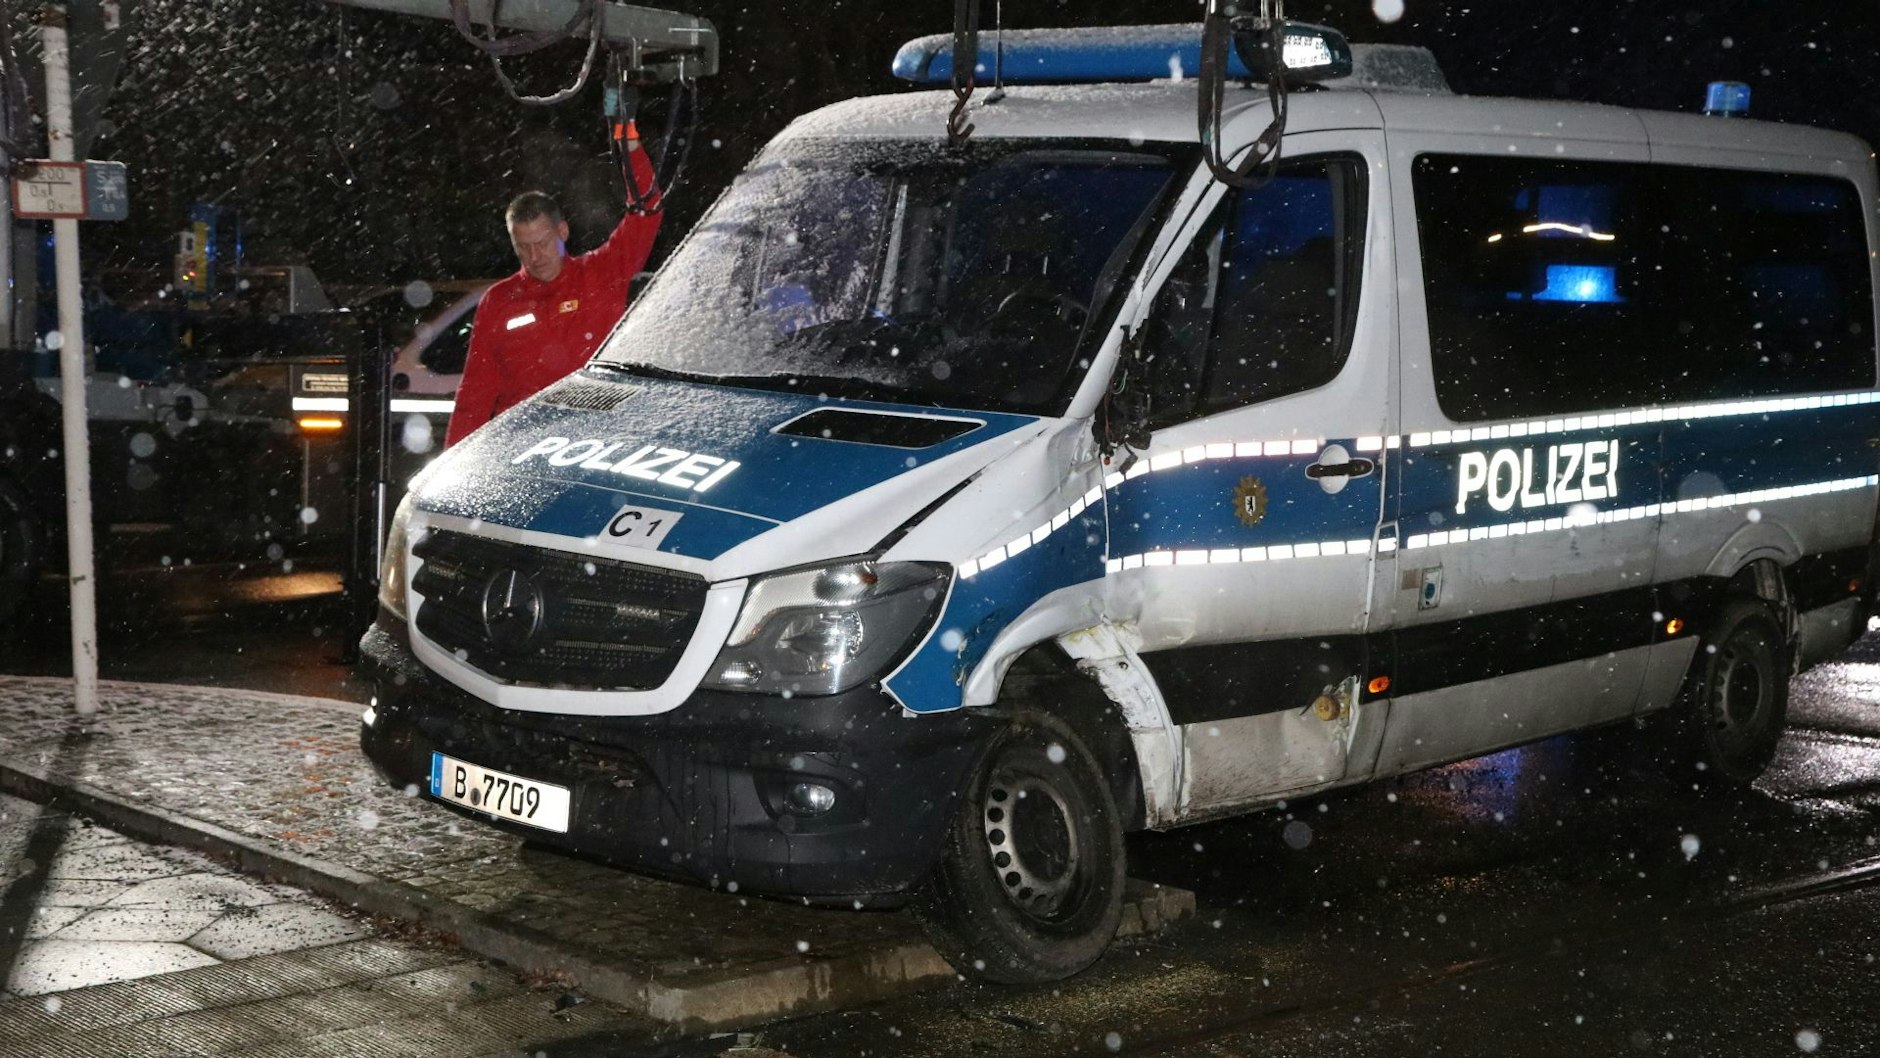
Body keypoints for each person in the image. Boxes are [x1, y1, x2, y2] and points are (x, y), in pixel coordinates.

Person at [444, 133, 662, 446]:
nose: (535, 257)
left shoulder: (601, 272)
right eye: (524, 247)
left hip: (595, 441)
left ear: (562, 231)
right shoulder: (500, 300)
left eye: (543, 243)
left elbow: (647, 210)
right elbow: (476, 392)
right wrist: (452, 463)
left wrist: (627, 137)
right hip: (520, 446)